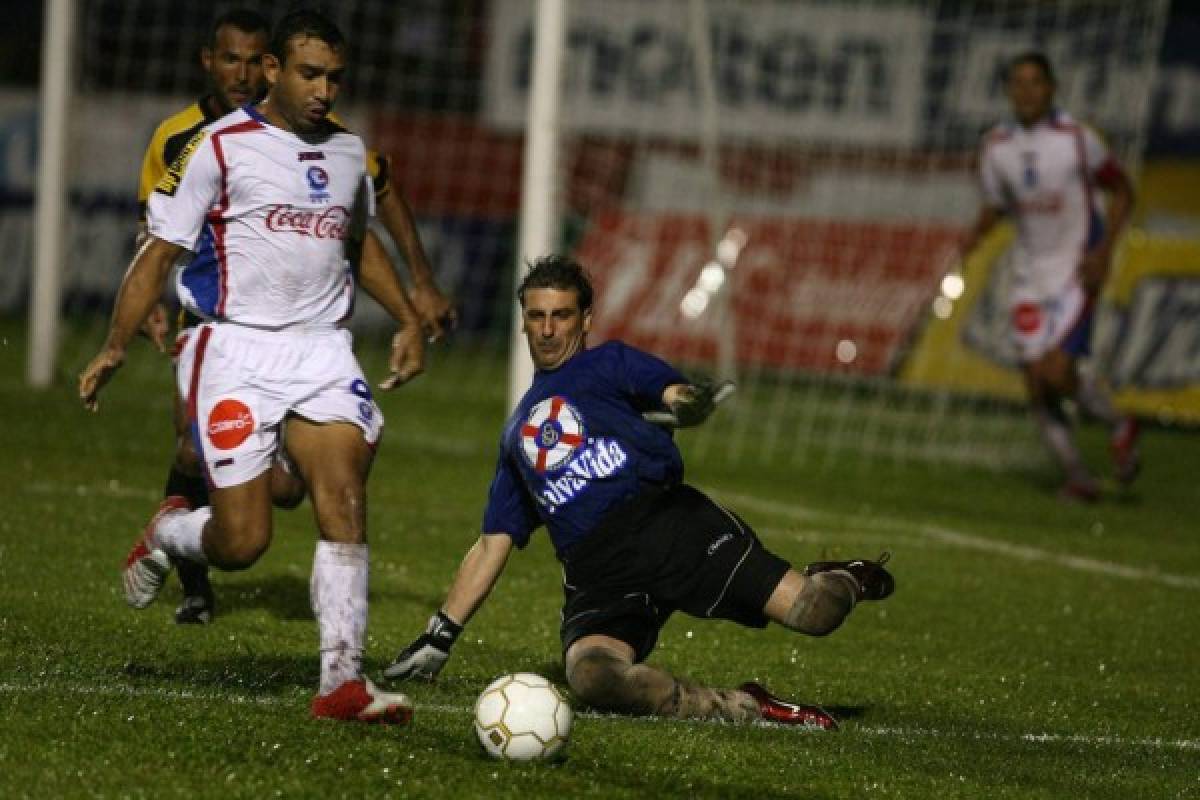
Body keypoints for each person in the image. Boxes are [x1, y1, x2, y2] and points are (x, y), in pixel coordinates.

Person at [383, 255, 894, 728]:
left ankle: (842, 577)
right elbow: (492, 542)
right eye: (536, 315)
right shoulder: (517, 434)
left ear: (585, 320)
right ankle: (742, 706)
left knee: (817, 614)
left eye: (560, 315)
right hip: (598, 573)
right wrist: (440, 635)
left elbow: (671, 392)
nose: (546, 329)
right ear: (522, 320)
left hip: (673, 529)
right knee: (592, 676)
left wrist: (686, 402)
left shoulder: (611, 363)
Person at [81, 10, 416, 723]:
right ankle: (167, 533)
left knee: (342, 493)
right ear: (273, 71)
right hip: (231, 349)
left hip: (322, 349)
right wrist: (113, 345)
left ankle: (341, 683)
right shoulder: (218, 147)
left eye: (334, 76)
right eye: (309, 74)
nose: (325, 90)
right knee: (243, 543)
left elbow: (358, 242)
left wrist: (412, 317)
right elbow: (159, 252)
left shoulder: (351, 152)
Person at [136, 9, 454, 624]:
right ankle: (194, 580)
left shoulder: (332, 140)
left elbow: (374, 202)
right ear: (209, 61)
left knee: (286, 491)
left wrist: (419, 293)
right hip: (215, 328)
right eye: (233, 58)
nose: (244, 71)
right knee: (193, 453)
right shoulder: (183, 139)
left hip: (307, 343)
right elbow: (157, 233)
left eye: (255, 60)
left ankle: (339, 675)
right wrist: (147, 303)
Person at [959, 52, 1140, 502]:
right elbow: (998, 205)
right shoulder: (996, 146)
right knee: (1036, 383)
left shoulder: (1078, 138)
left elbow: (1123, 190)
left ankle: (1120, 424)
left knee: (1055, 368)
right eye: (1017, 82)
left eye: (1035, 82)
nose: (1026, 91)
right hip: (1027, 275)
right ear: (1008, 91)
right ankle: (1078, 477)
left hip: (1075, 270)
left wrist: (1103, 251)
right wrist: (973, 238)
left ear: (1052, 87)